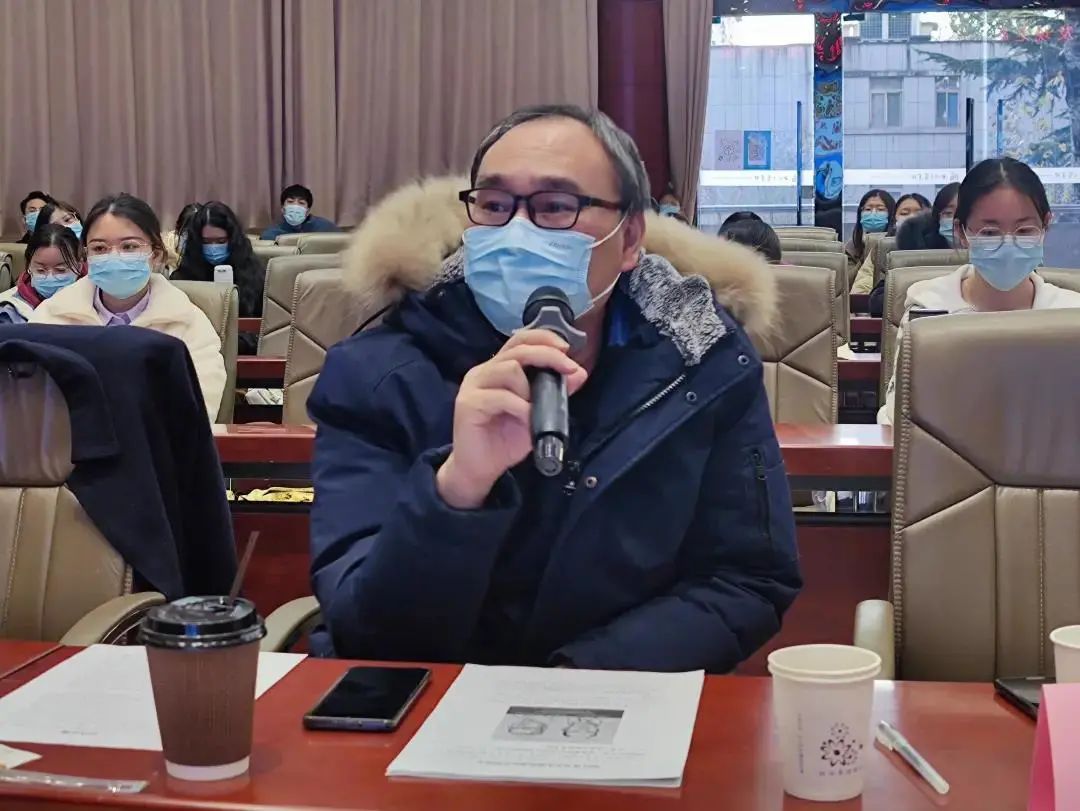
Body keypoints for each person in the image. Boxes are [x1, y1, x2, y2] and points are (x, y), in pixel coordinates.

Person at [307, 104, 801, 672]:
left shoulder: (703, 362)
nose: (517, 232)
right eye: (494, 205)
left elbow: (746, 577)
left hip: (620, 698)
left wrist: (577, 683)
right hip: (428, 699)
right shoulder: (375, 375)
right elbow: (366, 633)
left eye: (557, 207)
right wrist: (457, 489)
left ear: (630, 236)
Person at [878, 157, 1080, 425]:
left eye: (1024, 230)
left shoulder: (1070, 315)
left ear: (1046, 225)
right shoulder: (929, 309)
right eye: (989, 233)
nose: (1008, 243)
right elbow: (899, 419)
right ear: (962, 232)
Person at [31, 193, 226, 418]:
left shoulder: (188, 323)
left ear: (156, 255)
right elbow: (30, 403)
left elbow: (197, 410)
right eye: (100, 249)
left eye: (129, 246)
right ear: (85, 256)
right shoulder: (50, 317)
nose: (114, 257)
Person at [172, 200, 265, 354]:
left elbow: (266, 330)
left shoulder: (255, 274)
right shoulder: (182, 277)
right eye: (207, 242)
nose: (214, 247)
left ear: (232, 240)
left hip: (246, 351)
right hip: (198, 353)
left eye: (221, 241)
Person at [0, 224, 84, 324]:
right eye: (41, 270)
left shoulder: (94, 301)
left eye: (60, 270)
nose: (50, 277)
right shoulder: (9, 312)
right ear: (29, 267)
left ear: (79, 267)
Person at [849, 189, 897, 294]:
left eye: (880, 209)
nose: (873, 213)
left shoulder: (896, 245)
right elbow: (846, 282)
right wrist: (869, 250)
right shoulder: (851, 246)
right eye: (868, 209)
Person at [260, 184, 341, 240]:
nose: (295, 206)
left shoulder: (326, 228)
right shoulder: (271, 234)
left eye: (301, 203)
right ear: (283, 209)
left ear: (307, 211)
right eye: (290, 202)